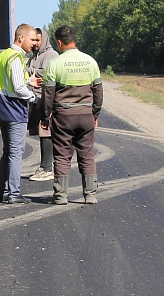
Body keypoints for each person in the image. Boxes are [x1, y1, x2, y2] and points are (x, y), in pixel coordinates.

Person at [42, 26, 103, 205]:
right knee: (86, 154)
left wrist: (46, 117)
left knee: (61, 155)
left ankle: (61, 196)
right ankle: (90, 195)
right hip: (86, 115)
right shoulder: (90, 61)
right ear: (74, 40)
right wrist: (95, 114)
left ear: (59, 42)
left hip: (63, 116)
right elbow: (98, 94)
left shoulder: (55, 64)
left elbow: (48, 95)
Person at [0, 24, 40, 204]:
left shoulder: (3, 55)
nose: (35, 43)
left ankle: (3, 192)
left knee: (8, 151)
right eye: (32, 39)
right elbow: (18, 87)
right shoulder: (16, 57)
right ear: (21, 38)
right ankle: (14, 193)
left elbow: (10, 80)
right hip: (14, 109)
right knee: (16, 153)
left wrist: (29, 79)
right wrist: (35, 99)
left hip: (1, 108)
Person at [26, 28, 59, 182]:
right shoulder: (34, 56)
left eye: (37, 40)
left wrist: (28, 70)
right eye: (33, 40)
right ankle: (44, 167)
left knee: (45, 133)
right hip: (34, 99)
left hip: (45, 99)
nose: (35, 43)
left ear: (44, 39)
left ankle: (47, 168)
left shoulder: (51, 55)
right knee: (39, 132)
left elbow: (44, 73)